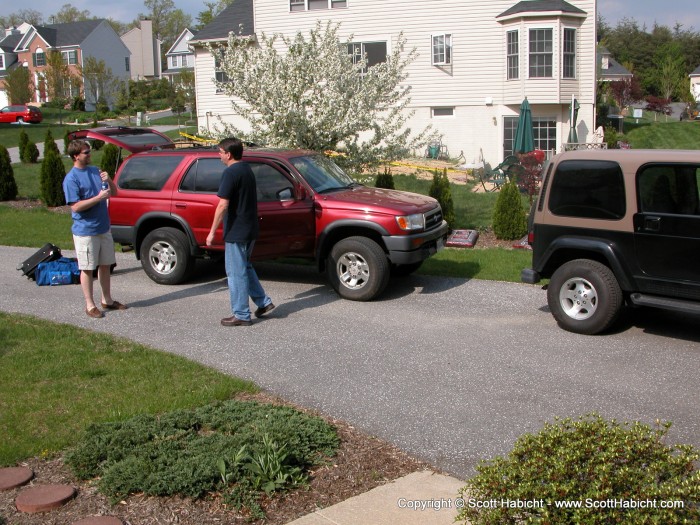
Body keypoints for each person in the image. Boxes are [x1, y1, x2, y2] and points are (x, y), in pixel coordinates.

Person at [206, 138, 274, 326]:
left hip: (237, 231)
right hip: (250, 228)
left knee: (235, 272)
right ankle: (263, 302)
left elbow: (222, 205)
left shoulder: (230, 172)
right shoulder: (246, 169)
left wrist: (212, 232)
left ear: (228, 154)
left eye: (220, 152)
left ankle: (241, 314)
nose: (218, 155)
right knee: (245, 266)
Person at [63, 140, 128, 319]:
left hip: (103, 227)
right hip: (85, 231)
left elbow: (113, 193)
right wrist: (98, 198)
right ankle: (89, 304)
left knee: (105, 265)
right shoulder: (71, 178)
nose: (89, 154)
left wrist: (109, 181)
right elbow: (75, 207)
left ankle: (107, 299)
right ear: (76, 156)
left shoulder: (95, 171)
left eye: (89, 151)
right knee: (87, 268)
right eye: (86, 152)